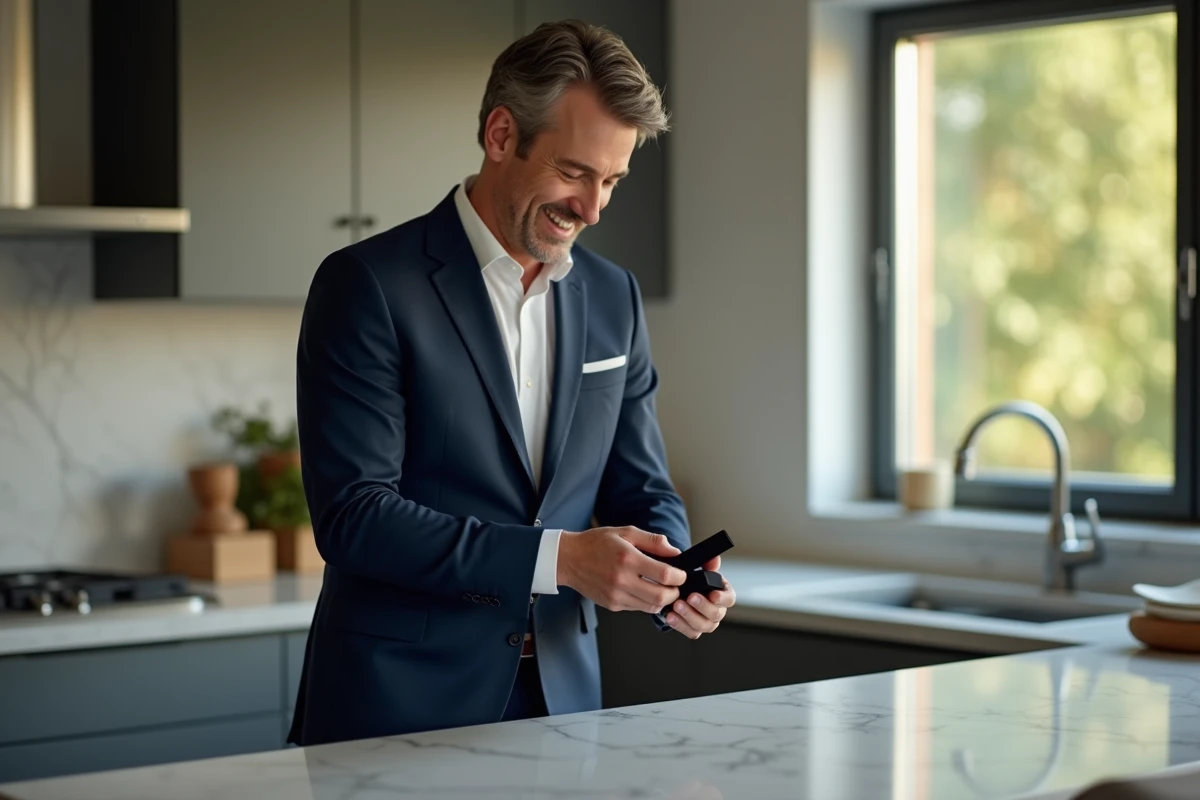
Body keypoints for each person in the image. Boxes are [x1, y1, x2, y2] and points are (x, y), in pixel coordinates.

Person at [287, 19, 736, 747]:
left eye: (612, 181)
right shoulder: (367, 284)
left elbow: (641, 484)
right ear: (501, 135)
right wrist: (564, 559)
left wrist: (674, 575)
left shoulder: (613, 296)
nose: (592, 209)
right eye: (574, 172)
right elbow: (355, 517)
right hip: (397, 704)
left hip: (564, 702)